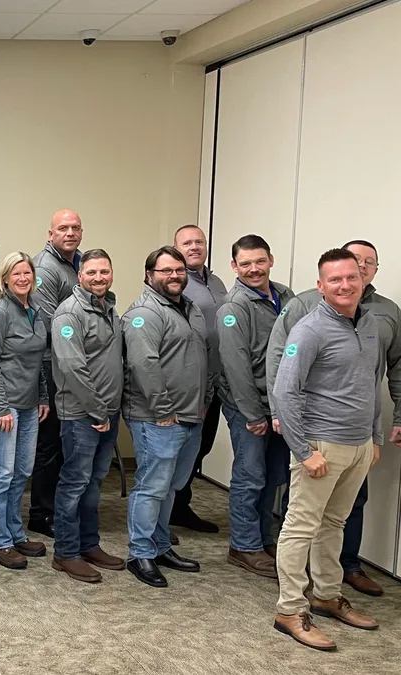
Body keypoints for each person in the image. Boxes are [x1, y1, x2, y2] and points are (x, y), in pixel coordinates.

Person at [267, 240, 401, 598]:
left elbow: (372, 383)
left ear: (364, 279)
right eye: (335, 279)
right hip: (321, 444)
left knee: (334, 523)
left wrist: (373, 438)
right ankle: (291, 607)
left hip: (358, 446)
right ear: (321, 285)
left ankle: (327, 596)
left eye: (352, 277)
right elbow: (284, 392)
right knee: (300, 527)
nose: (345, 285)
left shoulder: (371, 323)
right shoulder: (309, 329)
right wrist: (303, 451)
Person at [122, 247, 214, 588]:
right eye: (165, 271)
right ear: (149, 275)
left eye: (178, 270)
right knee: (151, 487)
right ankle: (140, 553)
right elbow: (144, 365)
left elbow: (203, 357)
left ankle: (161, 546)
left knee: (171, 488)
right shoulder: (144, 313)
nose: (174, 276)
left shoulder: (189, 308)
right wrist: (163, 411)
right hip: (158, 418)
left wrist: (203, 401)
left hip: (190, 415)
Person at [216, 235, 294, 578]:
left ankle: (263, 539)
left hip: (280, 407)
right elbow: (235, 366)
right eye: (245, 264)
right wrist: (253, 414)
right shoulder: (234, 308)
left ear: (271, 260)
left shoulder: (286, 297)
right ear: (234, 266)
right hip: (249, 407)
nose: (253, 269)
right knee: (251, 477)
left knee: (274, 476)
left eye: (259, 261)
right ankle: (244, 545)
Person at [50, 249, 125, 583]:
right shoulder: (69, 313)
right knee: (74, 483)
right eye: (92, 272)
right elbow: (72, 367)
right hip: (82, 414)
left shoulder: (109, 308)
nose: (99, 278)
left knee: (94, 483)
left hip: (107, 413)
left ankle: (88, 543)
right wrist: (98, 410)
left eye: (104, 272)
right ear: (79, 275)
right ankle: (65, 553)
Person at [0, 252, 49, 570]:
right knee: (2, 474)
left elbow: (40, 361)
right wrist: (2, 406)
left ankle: (15, 533)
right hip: (3, 407)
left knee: (22, 472)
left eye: (27, 273)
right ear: (5, 279)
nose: (23, 278)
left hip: (30, 405)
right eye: (16, 274)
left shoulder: (35, 310)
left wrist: (44, 397)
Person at [29, 209, 84, 538]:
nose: (70, 232)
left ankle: (61, 507)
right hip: (52, 364)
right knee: (49, 444)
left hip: (73, 363)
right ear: (50, 234)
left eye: (75, 227)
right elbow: (53, 325)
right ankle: (41, 512)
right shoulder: (46, 268)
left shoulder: (78, 261)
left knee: (66, 441)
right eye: (63, 228)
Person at [171, 225, 227, 534]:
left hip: (217, 381)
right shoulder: (175, 281)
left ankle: (180, 505)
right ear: (176, 247)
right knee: (180, 449)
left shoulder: (216, 282)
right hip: (191, 383)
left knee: (201, 446)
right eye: (187, 243)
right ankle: (165, 509)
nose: (194, 247)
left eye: (199, 242)